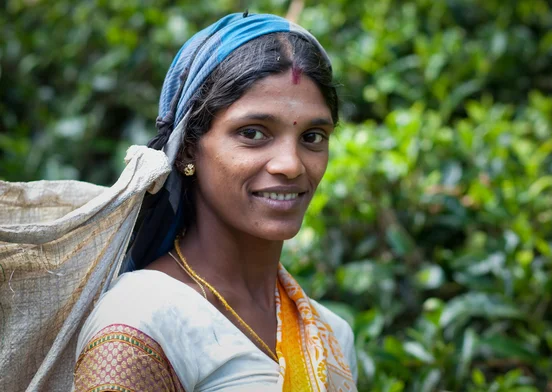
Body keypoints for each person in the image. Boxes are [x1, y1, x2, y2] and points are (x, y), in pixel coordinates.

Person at [73, 12, 358, 392]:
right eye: (253, 133)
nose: (291, 165)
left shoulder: (331, 335)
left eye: (313, 136)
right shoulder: (143, 321)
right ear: (188, 148)